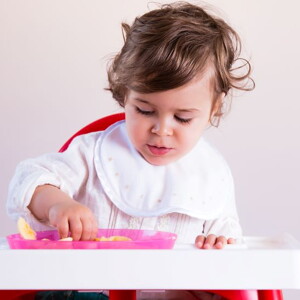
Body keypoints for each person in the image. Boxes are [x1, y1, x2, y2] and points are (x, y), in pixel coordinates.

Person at [7, 2, 254, 299]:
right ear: (125, 95)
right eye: (145, 110)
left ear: (213, 108)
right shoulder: (92, 154)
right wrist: (57, 204)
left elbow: (231, 249)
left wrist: (219, 249)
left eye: (183, 118)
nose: (162, 130)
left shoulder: (209, 175)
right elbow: (29, 179)